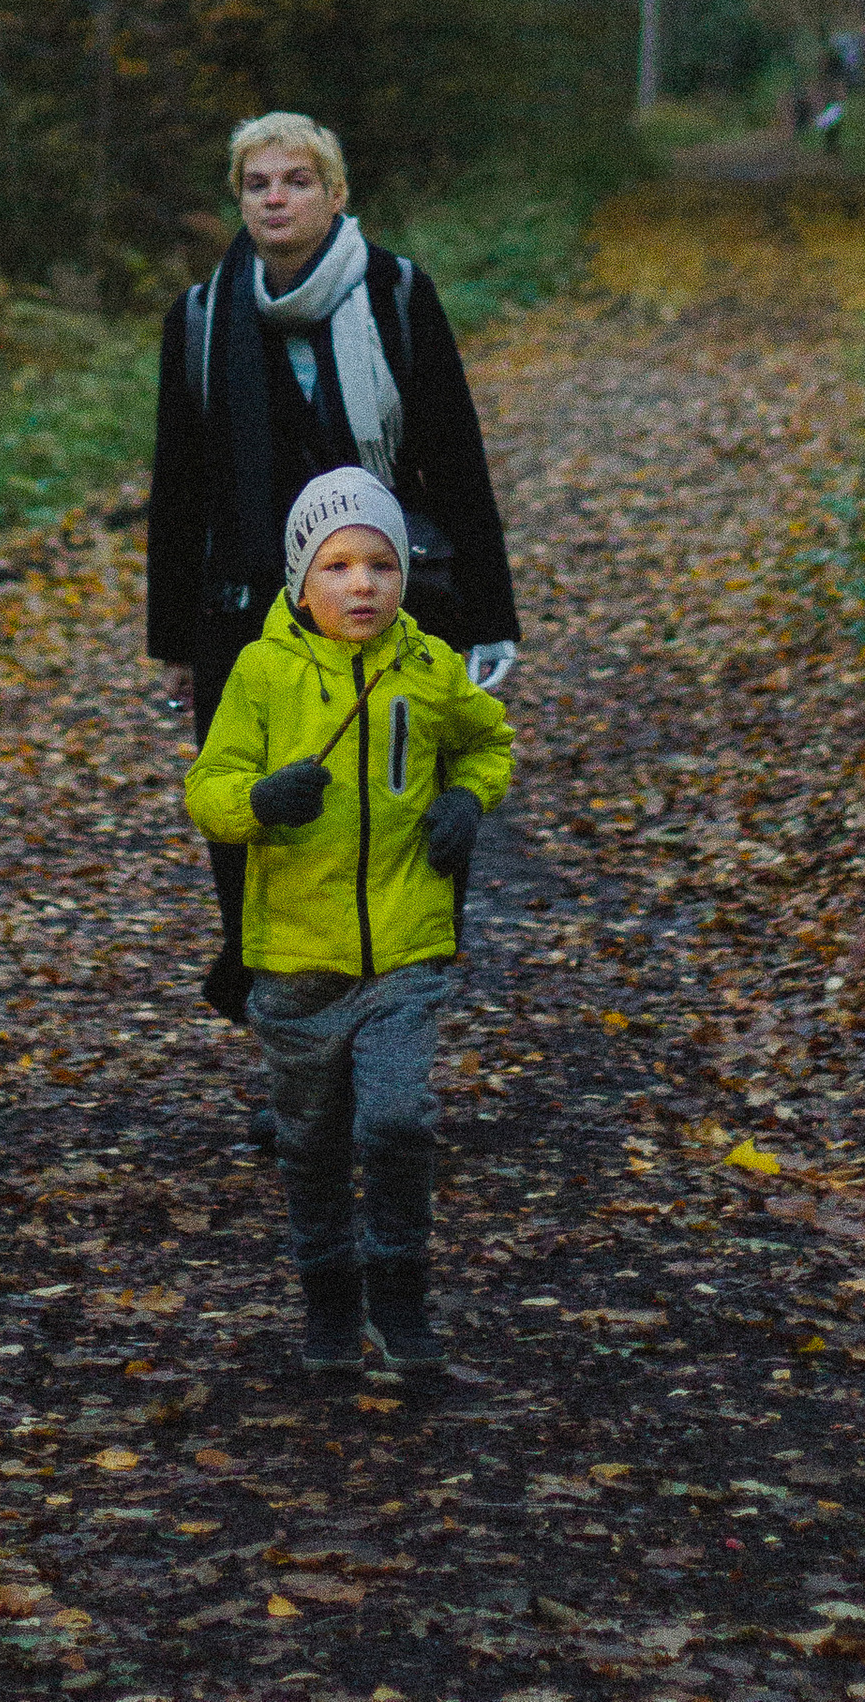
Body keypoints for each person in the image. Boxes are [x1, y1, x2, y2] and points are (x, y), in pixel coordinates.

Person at [146, 110, 522, 1019]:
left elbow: (455, 459)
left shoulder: (395, 295)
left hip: (385, 597)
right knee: (262, 824)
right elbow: (180, 489)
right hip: (246, 615)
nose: (275, 198)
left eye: (297, 181)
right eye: (258, 184)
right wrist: (175, 643)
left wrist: (490, 615)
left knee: (404, 810)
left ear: (337, 194)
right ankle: (293, 1042)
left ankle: (393, 1012)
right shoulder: (200, 319)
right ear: (240, 200)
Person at [185, 467, 513, 1372]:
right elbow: (207, 792)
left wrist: (468, 802)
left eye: (381, 563)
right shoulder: (261, 673)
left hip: (406, 945)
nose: (362, 584)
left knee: (399, 1121)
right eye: (337, 566)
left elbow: (490, 740)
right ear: (300, 577)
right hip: (294, 957)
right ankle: (330, 1298)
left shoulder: (430, 666)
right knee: (311, 1142)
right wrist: (260, 800)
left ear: (406, 574)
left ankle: (398, 1292)